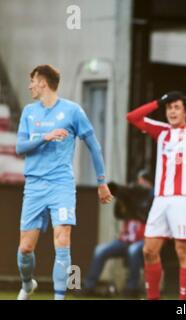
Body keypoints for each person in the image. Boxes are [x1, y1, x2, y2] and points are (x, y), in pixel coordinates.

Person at [16, 64, 113, 300]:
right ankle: (28, 284)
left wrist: (102, 182)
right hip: (35, 184)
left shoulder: (72, 111)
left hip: (61, 184)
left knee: (63, 238)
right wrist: (45, 137)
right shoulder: (29, 112)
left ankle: (59, 297)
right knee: (25, 249)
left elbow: (94, 146)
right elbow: (20, 148)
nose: (30, 86)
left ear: (43, 82)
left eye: (32, 81)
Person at [127, 91, 186, 300]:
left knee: (183, 251)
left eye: (177, 108)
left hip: (184, 200)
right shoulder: (162, 131)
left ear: (185, 113)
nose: (172, 111)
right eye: (169, 108)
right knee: (149, 251)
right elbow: (133, 117)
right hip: (161, 200)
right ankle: (153, 297)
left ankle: (184, 302)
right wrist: (158, 102)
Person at [81, 170, 153, 298]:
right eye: (138, 182)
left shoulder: (152, 198)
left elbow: (146, 215)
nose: (139, 185)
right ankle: (89, 286)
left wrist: (135, 199)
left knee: (133, 250)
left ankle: (132, 288)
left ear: (149, 184)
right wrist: (122, 199)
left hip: (144, 241)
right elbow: (119, 214)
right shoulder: (132, 197)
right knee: (100, 250)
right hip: (125, 240)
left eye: (143, 182)